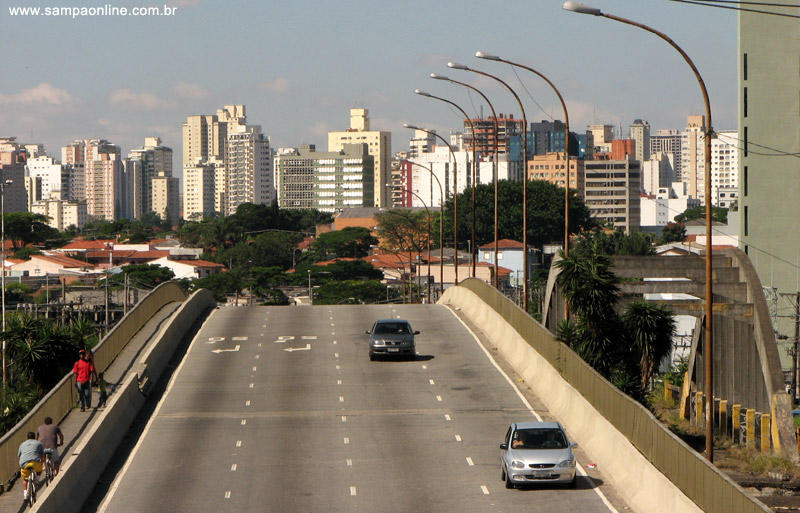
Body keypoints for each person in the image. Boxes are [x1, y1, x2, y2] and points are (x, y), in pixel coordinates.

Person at [18, 432, 44, 501]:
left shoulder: (22, 444)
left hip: (24, 464)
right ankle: (37, 480)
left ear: (27, 438)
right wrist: (42, 461)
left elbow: (19, 455)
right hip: (35, 463)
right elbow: (42, 454)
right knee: (39, 468)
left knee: (25, 479)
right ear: (34, 437)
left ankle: (25, 493)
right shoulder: (39, 443)